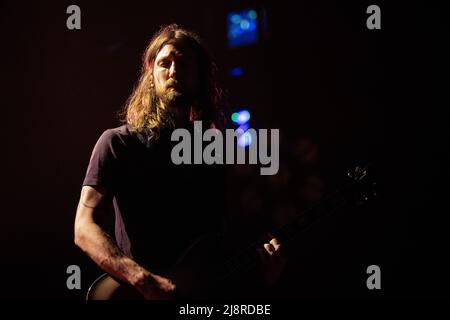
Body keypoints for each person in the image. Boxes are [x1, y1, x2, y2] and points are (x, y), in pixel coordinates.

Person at [74, 24, 285, 300]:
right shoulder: (118, 143)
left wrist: (265, 273)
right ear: (151, 75)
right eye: (165, 63)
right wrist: (143, 280)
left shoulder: (214, 153)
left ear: (200, 77)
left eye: (184, 63)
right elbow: (83, 227)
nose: (174, 71)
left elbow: (219, 247)